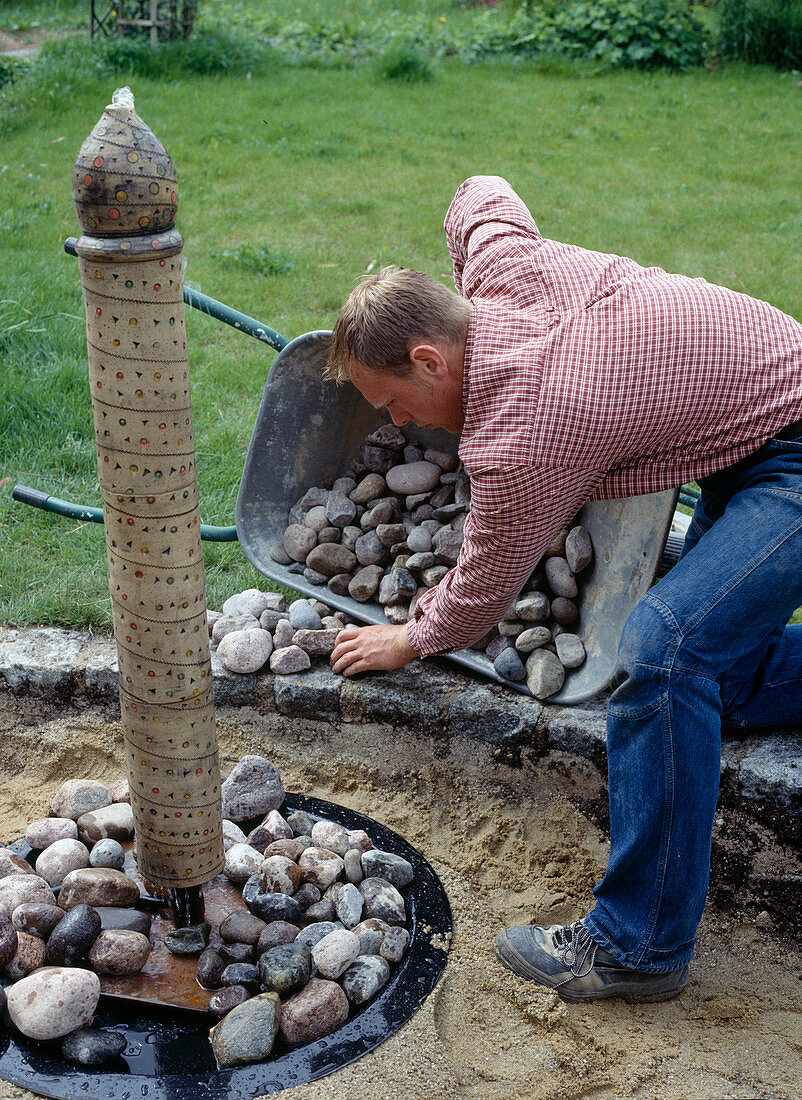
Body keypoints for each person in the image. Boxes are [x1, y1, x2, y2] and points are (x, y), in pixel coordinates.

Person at [327, 175, 802, 1002]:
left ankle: (636, 949)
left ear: (431, 357)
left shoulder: (521, 431)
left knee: (667, 649)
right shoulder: (504, 271)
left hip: (789, 450)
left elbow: (482, 586)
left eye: (394, 402)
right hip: (753, 427)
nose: (397, 424)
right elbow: (479, 192)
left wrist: (409, 637)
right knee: (712, 667)